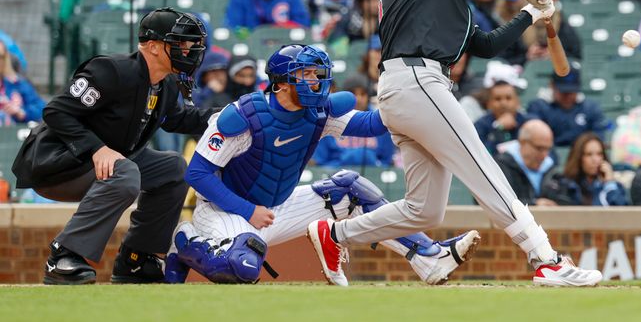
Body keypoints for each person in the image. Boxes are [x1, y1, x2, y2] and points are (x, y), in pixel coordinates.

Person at [305, 0, 603, 287]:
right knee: (483, 169)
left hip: (416, 87)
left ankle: (335, 235)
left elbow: (486, 45)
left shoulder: (450, 2)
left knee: (423, 210)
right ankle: (546, 259)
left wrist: (531, 14)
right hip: (416, 79)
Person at [166, 44, 479, 286]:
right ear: (282, 82)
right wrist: (248, 211)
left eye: (317, 74)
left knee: (350, 190)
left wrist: (405, 98)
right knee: (242, 267)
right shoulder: (243, 116)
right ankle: (186, 242)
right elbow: (197, 173)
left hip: (277, 207)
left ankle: (428, 257)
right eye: (306, 74)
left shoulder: (317, 112)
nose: (316, 82)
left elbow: (372, 125)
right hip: (228, 212)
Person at [12, 8, 215, 284]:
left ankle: (136, 260)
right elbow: (56, 112)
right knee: (126, 170)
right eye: (180, 43)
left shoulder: (165, 86)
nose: (189, 50)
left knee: (174, 167)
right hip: (56, 164)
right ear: (153, 47)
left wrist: (231, 114)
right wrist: (97, 148)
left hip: (107, 164)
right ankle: (64, 256)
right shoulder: (111, 70)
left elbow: (178, 120)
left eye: (191, 44)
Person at [312, 74, 396, 168]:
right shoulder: (328, 119)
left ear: (368, 96)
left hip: (374, 178)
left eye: (363, 94)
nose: (358, 99)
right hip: (335, 177)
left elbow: (387, 162)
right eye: (353, 94)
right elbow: (321, 163)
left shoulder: (380, 121)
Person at [526, 64, 609, 149]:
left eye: (572, 91)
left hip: (581, 157)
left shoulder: (591, 108)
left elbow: (598, 138)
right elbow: (535, 140)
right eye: (563, 92)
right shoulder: (538, 107)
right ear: (552, 85)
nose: (568, 96)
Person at [540, 132, 628, 206]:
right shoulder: (564, 185)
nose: (595, 160)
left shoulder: (613, 186)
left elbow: (622, 214)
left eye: (599, 154)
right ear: (578, 158)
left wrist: (609, 183)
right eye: (589, 154)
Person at [494, 120, 557, 206]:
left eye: (548, 149)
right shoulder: (501, 165)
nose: (544, 155)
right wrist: (534, 204)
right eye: (539, 148)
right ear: (522, 142)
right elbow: (498, 202)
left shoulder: (550, 168)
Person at [474, 80, 529, 155]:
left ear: (517, 102)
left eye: (508, 98)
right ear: (489, 104)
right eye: (498, 99)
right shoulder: (479, 126)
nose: (503, 103)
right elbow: (481, 156)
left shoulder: (528, 123)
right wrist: (498, 128)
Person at [0, 39, 43, 125]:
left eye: (1, 57)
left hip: (12, 135)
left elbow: (41, 109)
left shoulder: (17, 84)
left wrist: (21, 112)